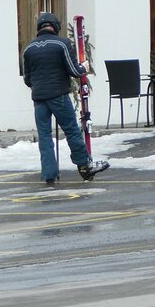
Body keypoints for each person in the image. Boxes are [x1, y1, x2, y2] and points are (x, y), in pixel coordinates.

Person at [22, 13, 109, 187]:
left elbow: (27, 79)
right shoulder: (62, 44)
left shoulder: (28, 49)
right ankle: (85, 166)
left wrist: (40, 87)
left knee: (44, 137)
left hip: (39, 98)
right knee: (71, 131)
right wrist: (83, 67)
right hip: (58, 95)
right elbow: (73, 71)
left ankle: (49, 174)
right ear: (55, 26)